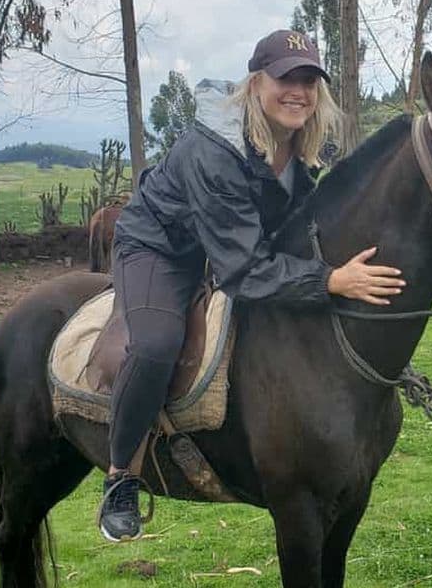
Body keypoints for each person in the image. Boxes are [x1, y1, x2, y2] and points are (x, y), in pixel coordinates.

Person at [99, 29, 406, 542]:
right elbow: (244, 271)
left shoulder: (305, 146)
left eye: (309, 80)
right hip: (162, 249)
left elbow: (293, 232)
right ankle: (120, 477)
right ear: (256, 82)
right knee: (154, 344)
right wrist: (331, 279)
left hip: (229, 246)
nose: (299, 91)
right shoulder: (214, 151)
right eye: (287, 78)